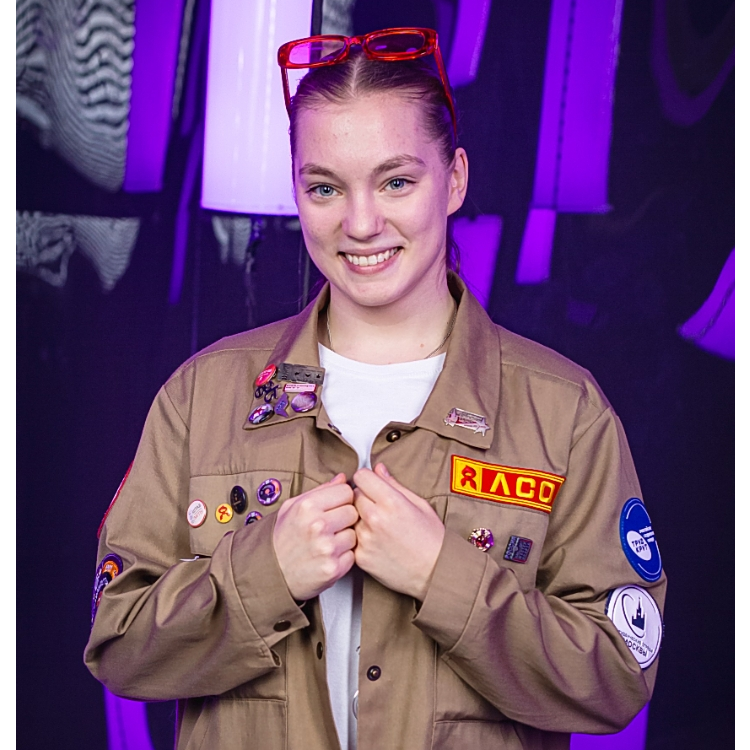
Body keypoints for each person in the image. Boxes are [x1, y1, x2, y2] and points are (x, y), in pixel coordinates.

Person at [84, 27, 666, 750]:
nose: (360, 224)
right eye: (324, 188)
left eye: (396, 182)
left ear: (454, 179)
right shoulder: (201, 398)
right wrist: (265, 573)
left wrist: (445, 576)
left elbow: (616, 677)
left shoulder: (565, 413)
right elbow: (119, 643)